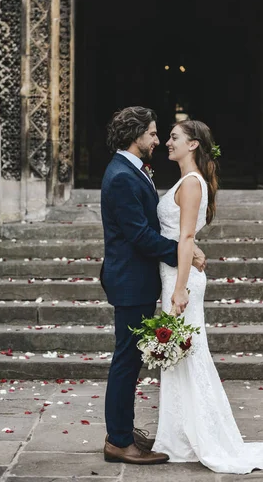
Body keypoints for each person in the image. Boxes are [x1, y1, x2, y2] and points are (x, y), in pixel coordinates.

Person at [152, 119, 263, 474]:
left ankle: (196, 438)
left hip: (180, 280)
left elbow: (185, 238)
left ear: (192, 145)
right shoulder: (188, 181)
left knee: (188, 356)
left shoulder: (191, 184)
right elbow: (182, 236)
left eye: (174, 138)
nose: (167, 143)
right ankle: (180, 437)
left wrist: (178, 289)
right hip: (177, 273)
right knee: (183, 358)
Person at [100, 106, 206, 465]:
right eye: (152, 134)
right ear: (136, 136)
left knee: (129, 358)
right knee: (127, 360)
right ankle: (117, 440)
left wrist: (185, 250)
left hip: (138, 278)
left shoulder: (132, 171)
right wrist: (183, 255)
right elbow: (140, 236)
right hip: (131, 279)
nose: (157, 141)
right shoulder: (121, 177)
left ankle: (124, 431)